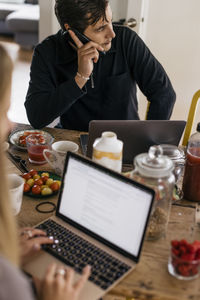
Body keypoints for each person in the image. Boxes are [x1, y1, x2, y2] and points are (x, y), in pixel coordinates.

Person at [0, 44, 90, 300]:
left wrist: (7, 254)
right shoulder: (9, 284)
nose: (10, 125)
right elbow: (38, 116)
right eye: (4, 110)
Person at [25, 0, 176, 131]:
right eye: (100, 28)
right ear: (72, 31)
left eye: (110, 21)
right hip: (74, 140)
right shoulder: (46, 52)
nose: (112, 34)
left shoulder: (126, 40)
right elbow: (36, 117)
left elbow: (164, 94)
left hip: (124, 140)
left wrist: (147, 141)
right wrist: (80, 78)